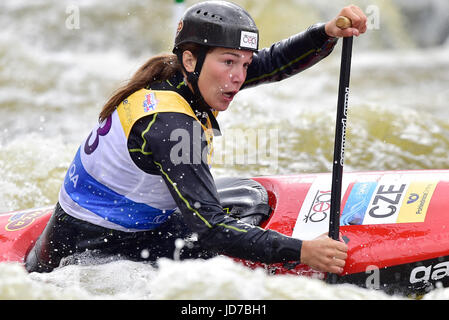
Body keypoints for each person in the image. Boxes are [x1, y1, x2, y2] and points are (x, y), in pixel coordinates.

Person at [25, 1, 367, 274]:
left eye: (245, 64)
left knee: (249, 197)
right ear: (192, 59)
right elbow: (211, 230)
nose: (238, 77)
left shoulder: (183, 75)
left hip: (98, 227)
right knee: (224, 240)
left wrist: (327, 32)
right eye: (230, 62)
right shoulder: (173, 126)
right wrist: (304, 251)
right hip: (91, 250)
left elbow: (274, 61)